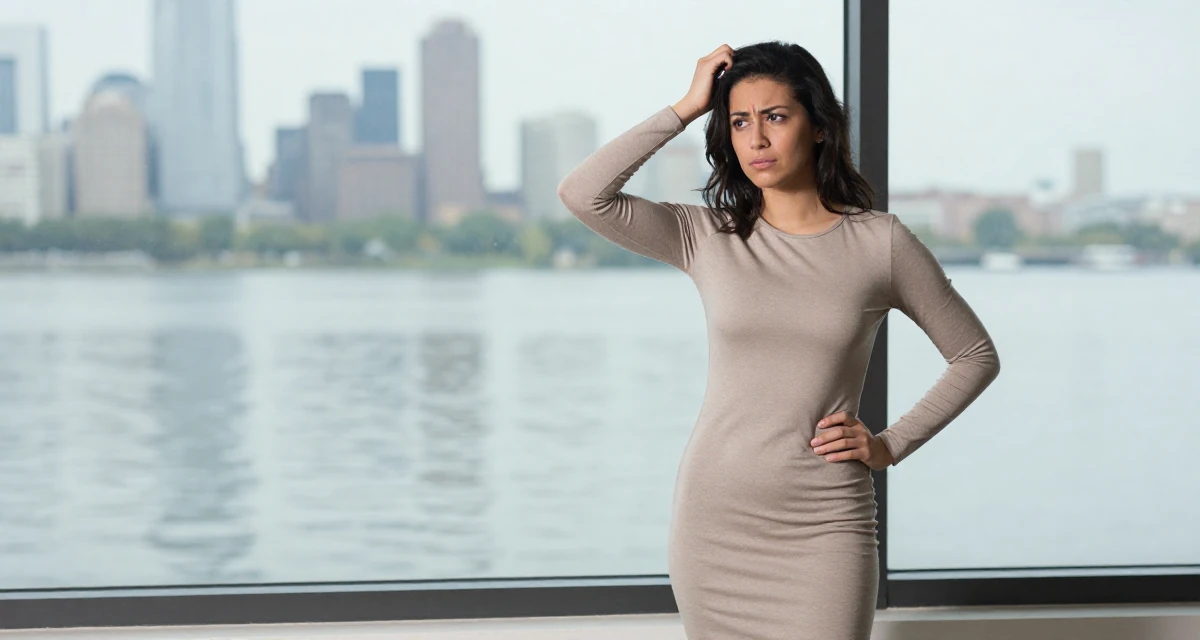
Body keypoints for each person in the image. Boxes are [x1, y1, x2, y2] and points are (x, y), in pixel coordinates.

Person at [557, 41, 1001, 640]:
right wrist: (688, 106)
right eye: (739, 121)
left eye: (776, 116)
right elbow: (584, 194)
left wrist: (890, 444)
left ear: (819, 127)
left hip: (825, 526)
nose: (756, 139)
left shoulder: (880, 243)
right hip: (714, 522)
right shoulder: (707, 235)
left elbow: (974, 356)